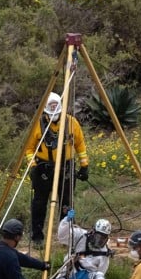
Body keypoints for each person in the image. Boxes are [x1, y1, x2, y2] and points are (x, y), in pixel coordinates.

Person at [23, 92, 90, 242]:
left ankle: (65, 236)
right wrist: (33, 166)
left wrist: (84, 165)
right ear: (45, 111)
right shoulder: (38, 125)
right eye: (50, 112)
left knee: (67, 203)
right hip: (43, 169)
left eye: (57, 112)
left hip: (66, 168)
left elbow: (80, 145)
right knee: (39, 203)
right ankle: (37, 236)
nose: (54, 115)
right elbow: (28, 149)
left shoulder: (72, 123)